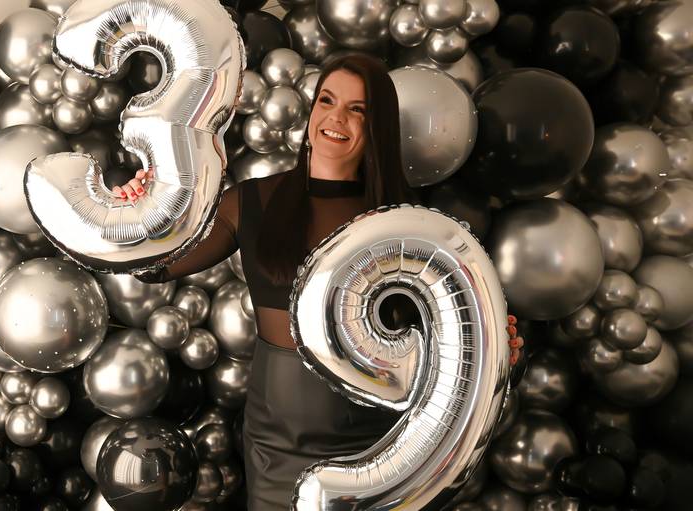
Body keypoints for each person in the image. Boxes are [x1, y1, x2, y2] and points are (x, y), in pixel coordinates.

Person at [114, 54, 524, 510]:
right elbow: (155, 266)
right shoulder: (254, 201)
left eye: (357, 109)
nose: (336, 117)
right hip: (275, 440)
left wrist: (494, 351)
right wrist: (138, 211)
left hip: (378, 446)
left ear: (377, 128)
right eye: (327, 100)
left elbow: (448, 339)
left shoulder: (408, 223)